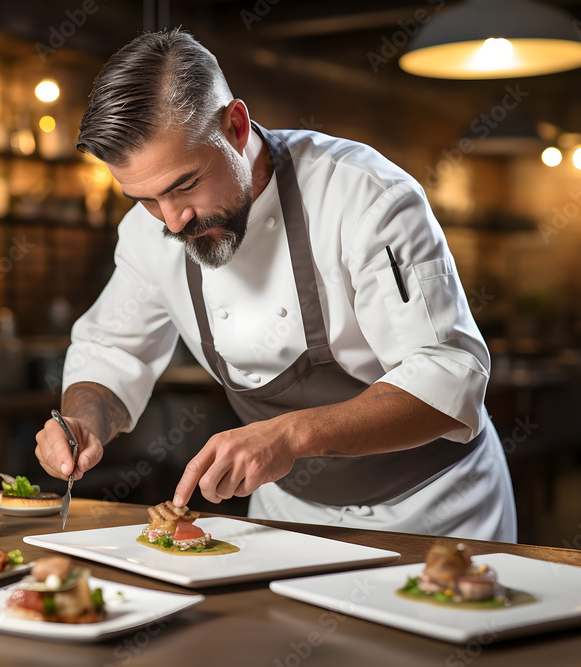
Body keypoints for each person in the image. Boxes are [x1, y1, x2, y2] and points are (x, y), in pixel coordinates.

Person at [34, 28, 516, 542]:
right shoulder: (147, 232)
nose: (173, 222)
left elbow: (448, 374)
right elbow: (113, 351)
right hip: (287, 515)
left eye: (185, 184)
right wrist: (82, 423)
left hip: (434, 509)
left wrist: (290, 434)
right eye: (146, 198)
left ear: (236, 126)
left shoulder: (364, 197)